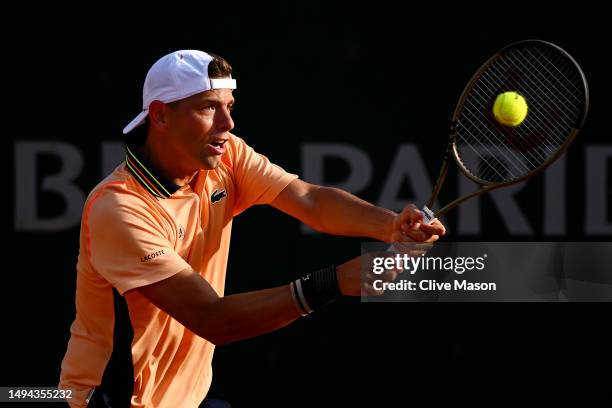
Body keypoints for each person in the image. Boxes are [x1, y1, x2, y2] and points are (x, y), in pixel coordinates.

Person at [58, 49, 446, 408]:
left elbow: (309, 199)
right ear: (160, 115)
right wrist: (335, 281)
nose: (227, 124)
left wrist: (391, 227)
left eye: (229, 107)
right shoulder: (119, 209)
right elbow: (214, 319)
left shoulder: (226, 156)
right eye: (208, 108)